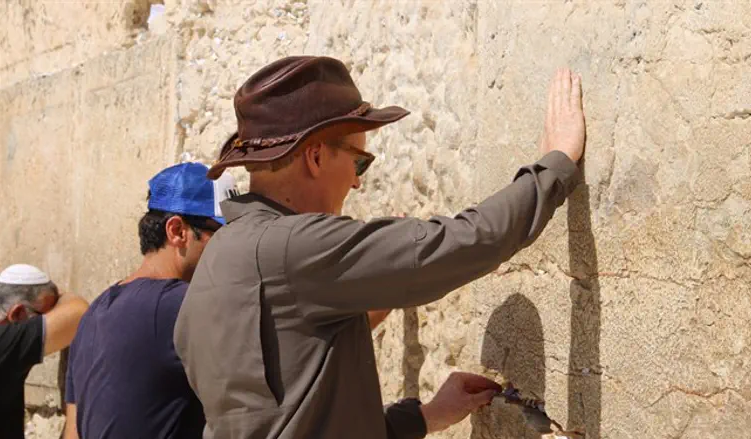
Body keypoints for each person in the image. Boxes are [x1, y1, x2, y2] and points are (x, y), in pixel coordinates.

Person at [174, 56, 586, 439]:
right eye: (358, 163)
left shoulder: (219, 258)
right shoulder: (293, 248)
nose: (356, 183)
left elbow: (292, 415)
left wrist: (424, 416)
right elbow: (459, 244)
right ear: (315, 157)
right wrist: (555, 165)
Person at [63, 162, 236, 439]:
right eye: (223, 234)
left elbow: (73, 431)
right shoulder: (182, 306)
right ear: (178, 231)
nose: (232, 248)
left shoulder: (95, 312)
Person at [0, 264, 88, 439]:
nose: (52, 319)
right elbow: (78, 313)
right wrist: (59, 295)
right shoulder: (4, 342)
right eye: (45, 315)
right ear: (17, 314)